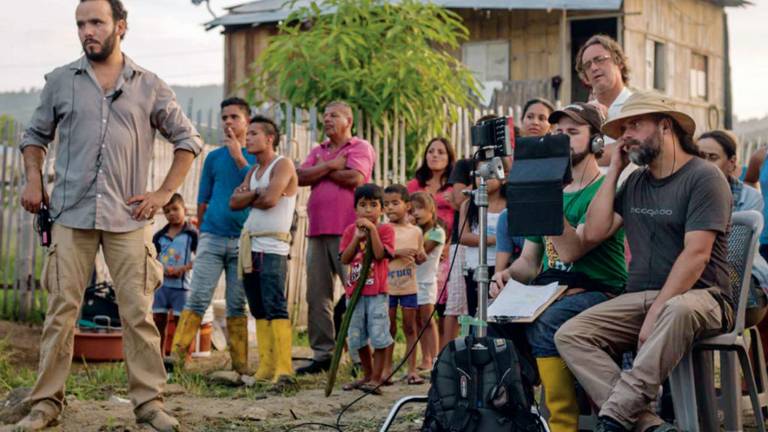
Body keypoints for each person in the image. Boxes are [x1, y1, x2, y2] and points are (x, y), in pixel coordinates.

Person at [16, 1, 202, 430]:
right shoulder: (61, 82)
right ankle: (45, 403)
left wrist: (163, 192)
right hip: (69, 213)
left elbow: (187, 140)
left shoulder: (150, 85)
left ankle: (149, 404)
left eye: (96, 22)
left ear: (121, 26)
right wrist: (32, 177)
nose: (87, 31)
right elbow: (34, 137)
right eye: (81, 24)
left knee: (137, 312)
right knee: (61, 311)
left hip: (128, 217)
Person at [555, 92, 733, 432]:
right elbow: (593, 233)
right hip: (643, 297)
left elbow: (697, 255)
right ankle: (649, 426)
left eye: (634, 125)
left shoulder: (704, 177)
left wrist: (657, 310)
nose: (625, 136)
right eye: (622, 129)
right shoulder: (636, 181)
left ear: (665, 126)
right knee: (571, 334)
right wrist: (614, 171)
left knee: (677, 310)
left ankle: (615, 417)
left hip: (704, 296)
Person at [491, 103, 627, 432]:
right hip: (554, 289)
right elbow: (531, 261)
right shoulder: (553, 191)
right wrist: (507, 276)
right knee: (497, 321)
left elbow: (569, 252)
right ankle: (519, 418)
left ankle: (563, 424)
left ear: (597, 142)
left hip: (600, 290)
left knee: (549, 321)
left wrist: (547, 197)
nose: (563, 140)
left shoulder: (609, 192)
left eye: (573, 133)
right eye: (559, 133)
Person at [170, 97, 256, 376]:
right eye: (224, 118)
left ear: (248, 122)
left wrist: (238, 155)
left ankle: (241, 366)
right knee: (197, 297)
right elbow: (203, 198)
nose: (228, 122)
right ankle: (178, 361)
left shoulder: (258, 157)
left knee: (236, 303)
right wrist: (204, 230)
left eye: (234, 117)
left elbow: (261, 188)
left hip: (244, 240)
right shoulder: (213, 157)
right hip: (212, 237)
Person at [229, 115, 298, 385]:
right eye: (248, 135)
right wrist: (257, 194)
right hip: (250, 245)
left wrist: (252, 195)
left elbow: (270, 200)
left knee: (275, 304)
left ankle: (283, 369)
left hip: (273, 246)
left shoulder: (283, 164)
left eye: (254, 134)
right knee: (257, 307)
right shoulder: (253, 171)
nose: (248, 138)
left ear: (269, 138)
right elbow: (233, 203)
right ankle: (266, 367)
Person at [339, 184, 395, 394]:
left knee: (379, 334)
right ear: (355, 209)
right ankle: (367, 375)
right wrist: (357, 237)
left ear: (381, 209)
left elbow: (380, 255)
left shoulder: (385, 230)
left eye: (374, 205)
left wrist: (371, 231)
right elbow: (345, 258)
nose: (368, 210)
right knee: (357, 336)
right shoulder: (348, 231)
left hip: (377, 294)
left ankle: (377, 377)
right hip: (354, 294)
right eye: (363, 205)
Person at [382, 184, 425, 385]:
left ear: (407, 206)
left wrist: (421, 256)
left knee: (410, 328)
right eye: (386, 204)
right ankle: (386, 369)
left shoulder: (416, 231)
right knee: (389, 328)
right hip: (388, 287)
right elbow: (377, 254)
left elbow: (420, 255)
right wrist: (397, 253)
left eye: (395, 203)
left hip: (409, 286)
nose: (389, 208)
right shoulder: (383, 230)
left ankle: (411, 370)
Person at [575, 35, 633, 168]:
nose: (594, 68)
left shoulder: (637, 106)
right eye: (587, 65)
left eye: (599, 60)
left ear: (619, 62)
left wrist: (581, 156)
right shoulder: (580, 115)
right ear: (585, 77)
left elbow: (630, 149)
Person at [152, 193, 198, 356]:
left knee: (182, 324)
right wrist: (162, 270)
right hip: (162, 287)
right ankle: (158, 358)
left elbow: (201, 258)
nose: (171, 213)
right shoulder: (159, 236)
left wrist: (182, 269)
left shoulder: (192, 234)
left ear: (184, 209)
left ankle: (182, 360)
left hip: (182, 288)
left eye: (175, 209)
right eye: (166, 211)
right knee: (158, 322)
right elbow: (152, 258)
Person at [410, 192, 446, 371]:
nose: (415, 213)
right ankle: (425, 359)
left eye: (420, 208)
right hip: (412, 282)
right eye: (412, 209)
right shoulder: (417, 231)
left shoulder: (437, 232)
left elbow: (420, 256)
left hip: (426, 282)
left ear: (431, 209)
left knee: (428, 320)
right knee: (417, 320)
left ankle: (435, 357)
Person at [406, 137, 455, 235]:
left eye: (441, 152)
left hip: (450, 243)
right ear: (426, 156)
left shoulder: (455, 187)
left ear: (449, 158)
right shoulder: (413, 185)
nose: (435, 155)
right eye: (431, 152)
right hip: (416, 240)